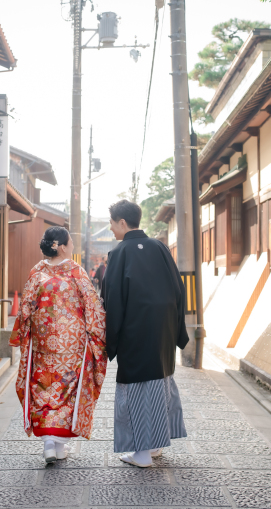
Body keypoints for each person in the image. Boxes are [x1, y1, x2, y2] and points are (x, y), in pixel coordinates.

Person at [100, 200, 189, 467]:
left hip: (134, 331)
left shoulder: (119, 253)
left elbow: (112, 300)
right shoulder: (159, 247)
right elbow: (178, 288)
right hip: (162, 329)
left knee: (137, 390)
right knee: (160, 383)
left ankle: (141, 453)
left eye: (113, 222)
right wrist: (177, 330)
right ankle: (155, 446)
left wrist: (110, 342)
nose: (111, 227)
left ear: (122, 223)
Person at [9, 226, 108, 463]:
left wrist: (25, 334)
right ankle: (58, 443)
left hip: (43, 343)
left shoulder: (37, 271)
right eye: (71, 242)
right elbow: (92, 305)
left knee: (44, 386)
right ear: (62, 247)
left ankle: (51, 445)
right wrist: (98, 333)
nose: (72, 245)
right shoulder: (76, 272)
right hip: (71, 344)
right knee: (67, 387)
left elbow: (25, 308)